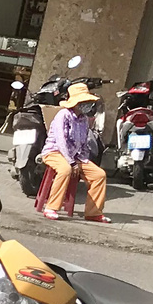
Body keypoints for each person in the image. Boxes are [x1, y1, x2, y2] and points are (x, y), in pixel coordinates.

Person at [40, 80, 109, 222]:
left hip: (75, 156)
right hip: (54, 152)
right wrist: (71, 162)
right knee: (65, 170)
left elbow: (84, 143)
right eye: (84, 101)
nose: (87, 104)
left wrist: (82, 159)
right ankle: (51, 207)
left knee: (99, 175)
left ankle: (93, 213)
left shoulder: (83, 119)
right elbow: (61, 141)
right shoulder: (63, 115)